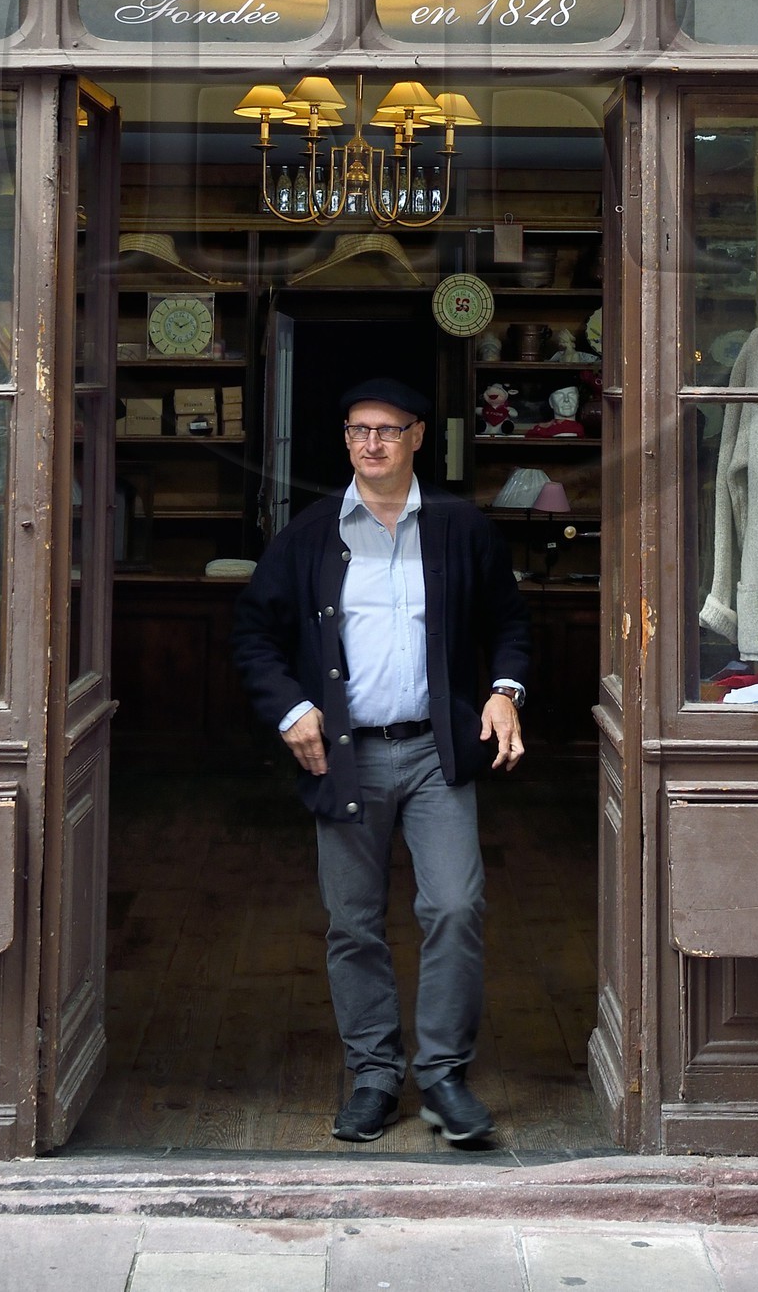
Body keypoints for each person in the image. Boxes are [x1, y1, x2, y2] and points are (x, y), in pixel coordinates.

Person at [232, 377, 530, 1147]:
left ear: (418, 437)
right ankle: (372, 1074)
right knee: (354, 922)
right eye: (359, 429)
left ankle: (442, 1077)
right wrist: (293, 710)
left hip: (435, 750)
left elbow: (508, 620)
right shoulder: (309, 535)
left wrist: (504, 690)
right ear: (345, 439)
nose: (372, 443)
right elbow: (253, 634)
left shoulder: (461, 528)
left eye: (388, 430)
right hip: (347, 758)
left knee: (455, 907)